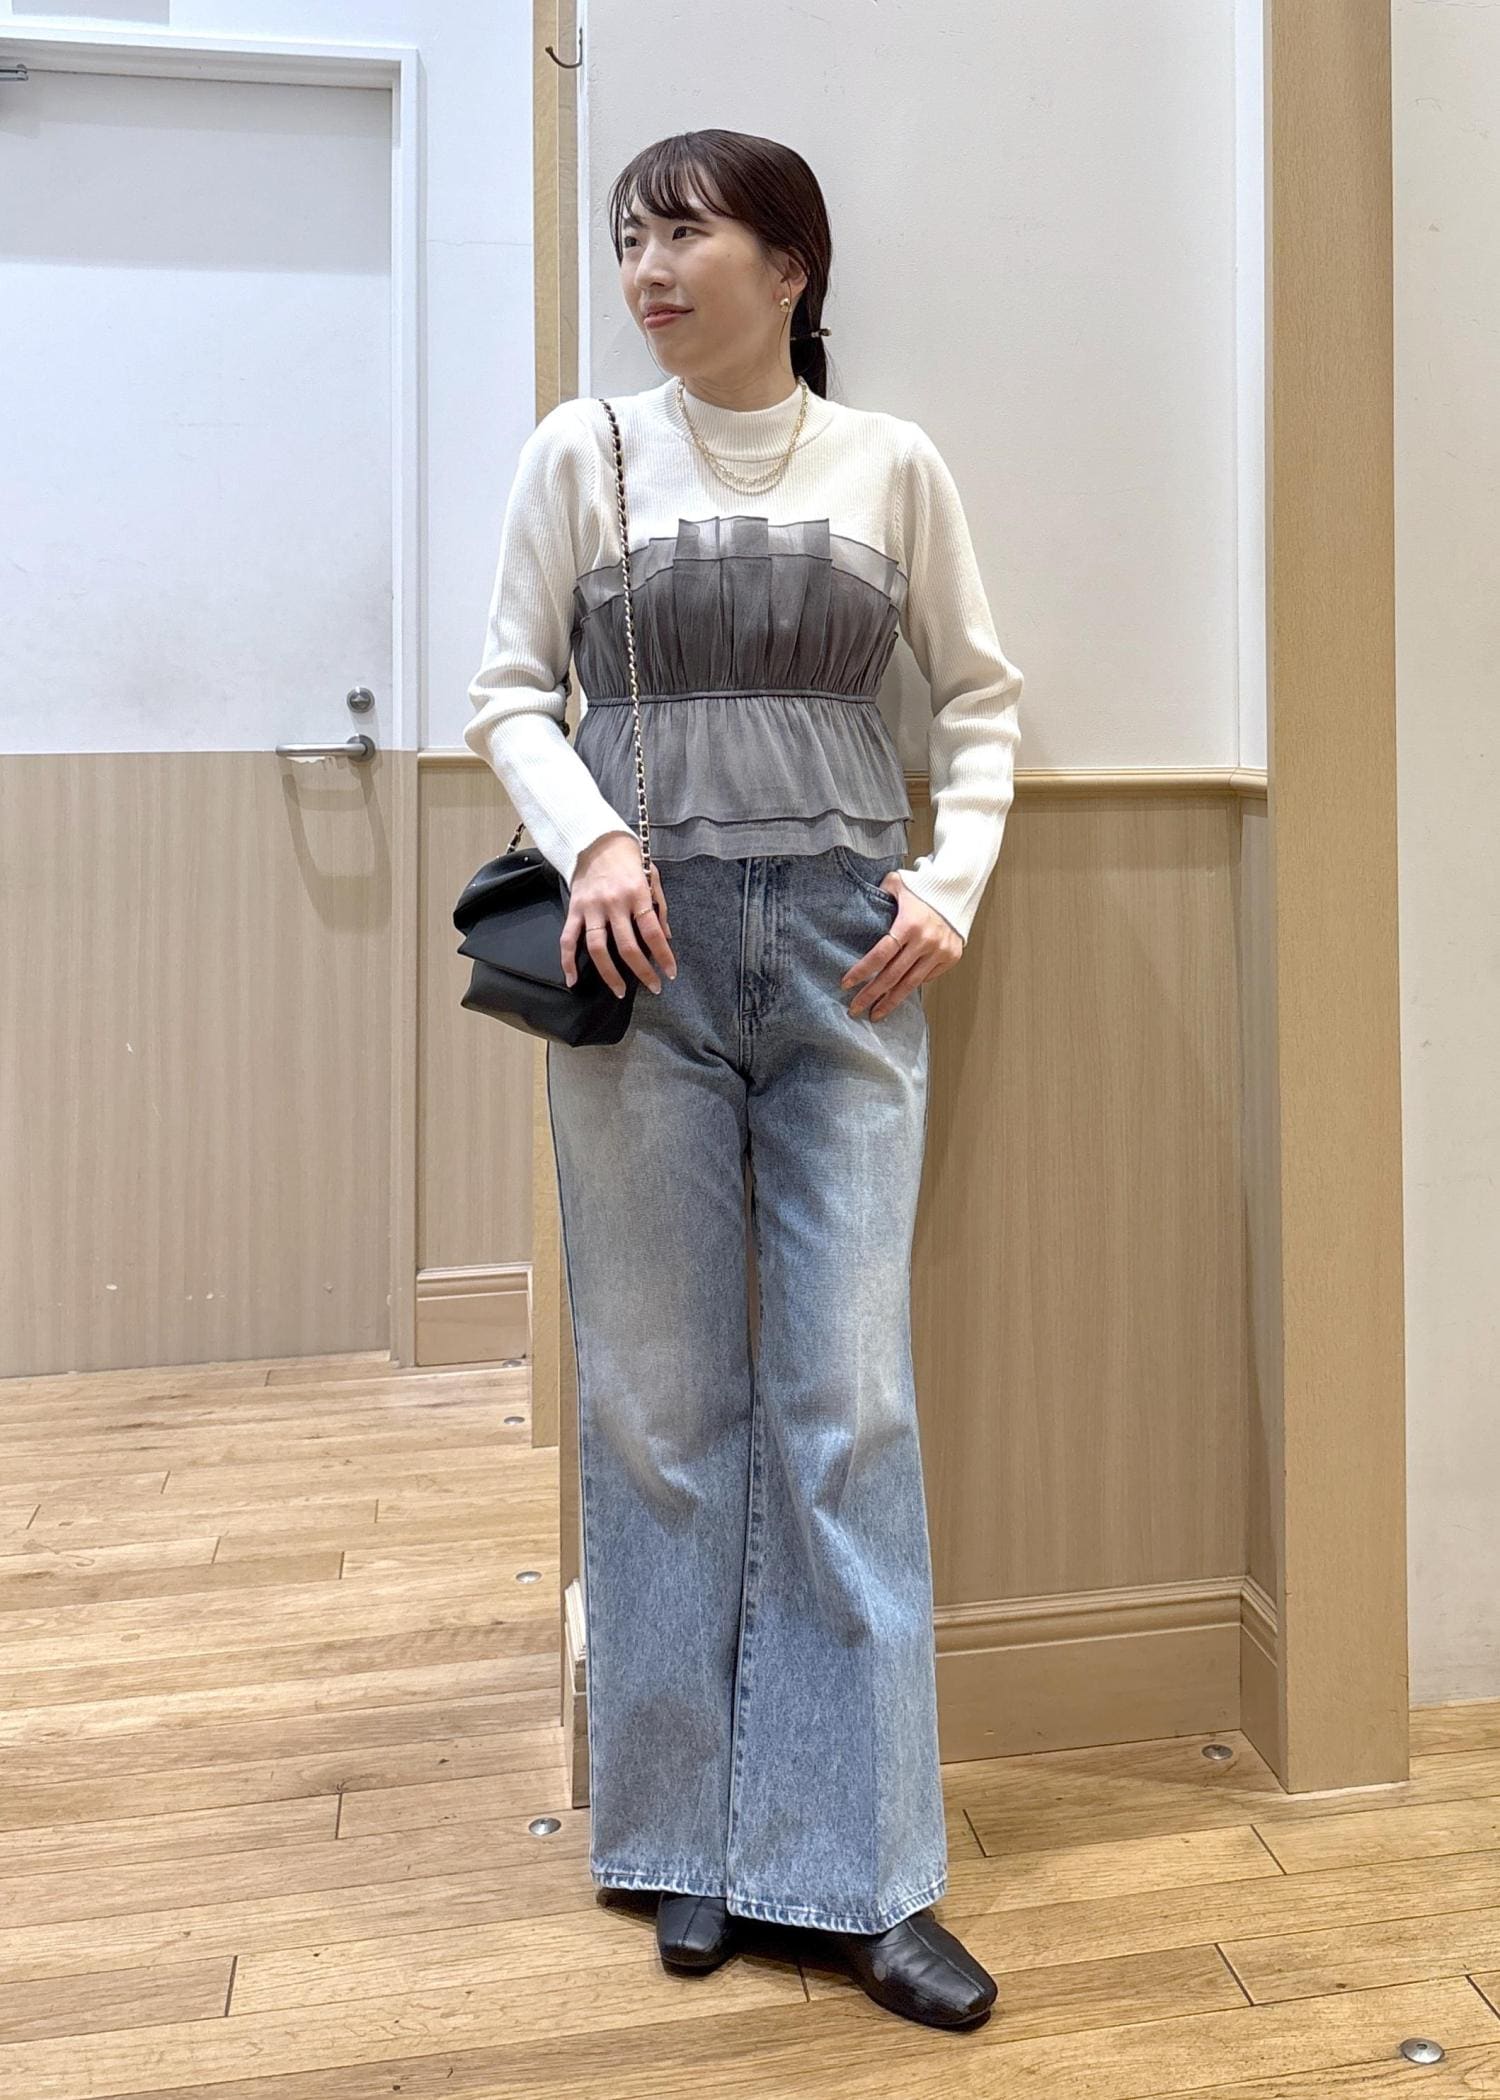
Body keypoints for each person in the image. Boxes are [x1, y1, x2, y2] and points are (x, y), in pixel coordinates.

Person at [464, 129, 1023, 2032]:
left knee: (846, 1402)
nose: (648, 266)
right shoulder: (583, 451)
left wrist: (951, 882)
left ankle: (858, 1869)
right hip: (642, 960)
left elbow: (979, 698)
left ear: (792, 265)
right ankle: (684, 1839)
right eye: (631, 236)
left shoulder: (892, 463)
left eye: (685, 231)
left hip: (850, 958)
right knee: (657, 1403)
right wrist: (598, 841)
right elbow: (508, 692)